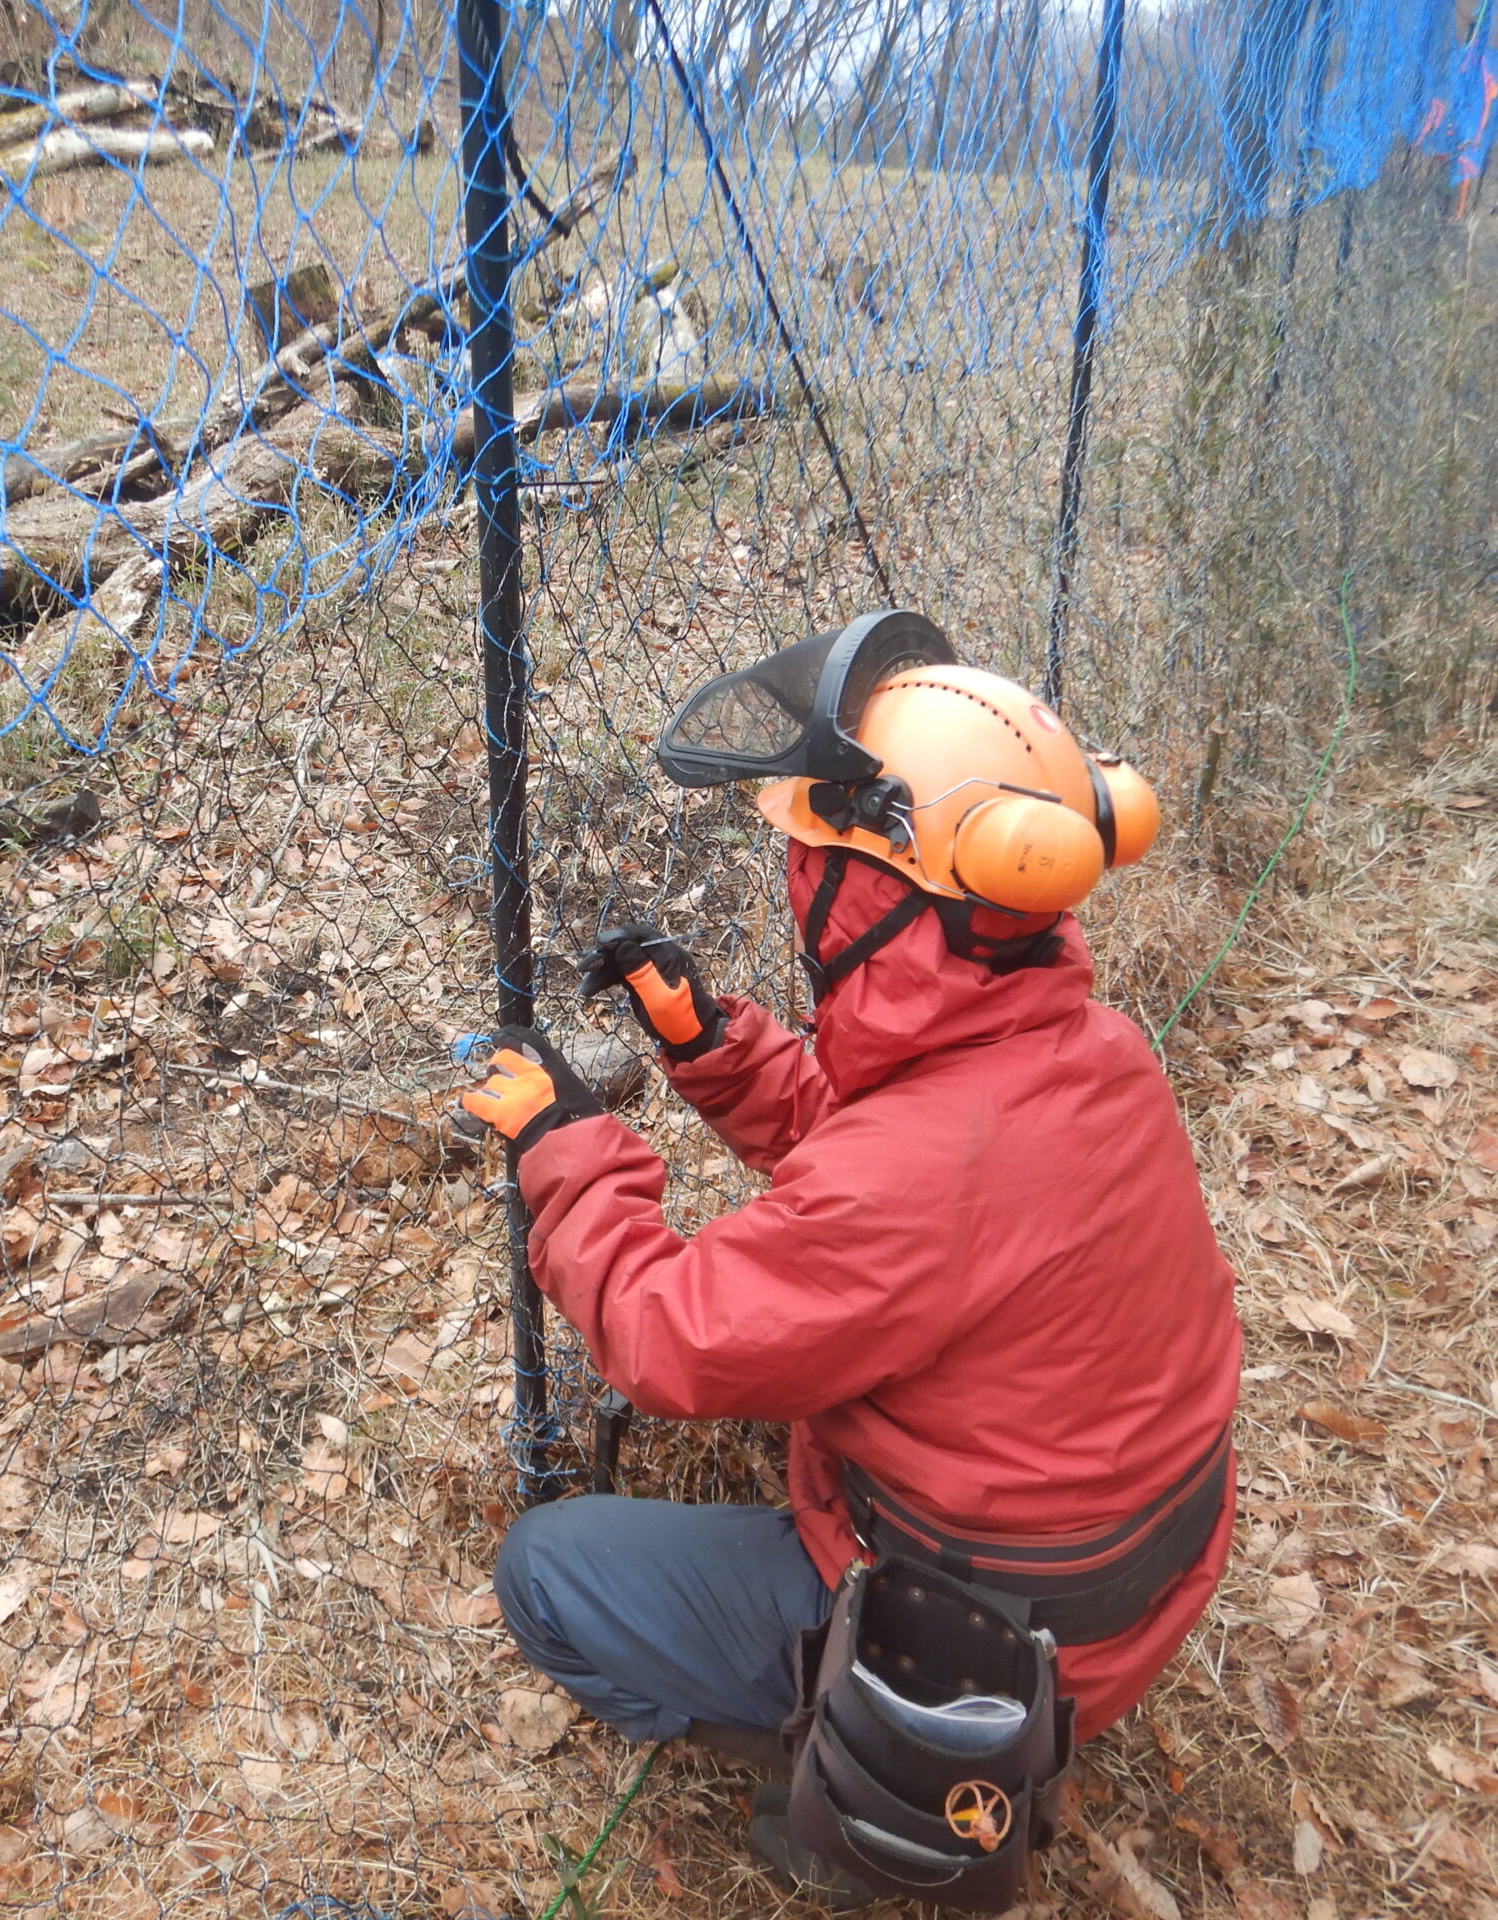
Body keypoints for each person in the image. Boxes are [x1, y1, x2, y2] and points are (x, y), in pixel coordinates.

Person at [461, 614, 1241, 1911]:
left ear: (873, 892)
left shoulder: (918, 1173)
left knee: (547, 1571)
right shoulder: (1092, 1052)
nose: (792, 873)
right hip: (1128, 1586)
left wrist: (566, 1147)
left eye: (808, 856)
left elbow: (666, 1335)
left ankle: (860, 1772)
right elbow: (898, 1171)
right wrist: (709, 1044)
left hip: (986, 1650)